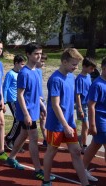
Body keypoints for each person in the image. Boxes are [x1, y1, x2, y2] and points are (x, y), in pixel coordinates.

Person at [6, 43, 55, 182]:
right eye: (36, 54)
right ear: (28, 54)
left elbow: (36, 93)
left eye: (40, 53)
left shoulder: (37, 71)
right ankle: (38, 170)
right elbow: (20, 95)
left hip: (34, 109)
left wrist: (41, 105)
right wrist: (26, 114)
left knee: (23, 134)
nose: (39, 56)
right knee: (33, 137)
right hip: (26, 111)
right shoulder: (24, 73)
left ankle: (11, 158)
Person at [42, 48, 89, 186]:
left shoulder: (71, 77)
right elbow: (55, 105)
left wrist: (78, 110)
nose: (76, 67)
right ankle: (46, 180)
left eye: (77, 64)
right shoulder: (55, 79)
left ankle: (85, 183)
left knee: (75, 152)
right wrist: (65, 125)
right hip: (57, 124)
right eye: (74, 64)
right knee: (52, 151)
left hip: (69, 123)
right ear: (64, 62)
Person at [83, 57, 106, 183]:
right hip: (101, 119)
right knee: (96, 144)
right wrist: (92, 125)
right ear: (103, 68)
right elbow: (91, 105)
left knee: (95, 145)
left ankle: (82, 168)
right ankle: (82, 169)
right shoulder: (97, 84)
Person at [3, 54, 26, 150]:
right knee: (17, 120)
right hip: (12, 99)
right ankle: (9, 139)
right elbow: (5, 87)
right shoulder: (10, 74)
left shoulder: (21, 74)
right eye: (22, 64)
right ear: (16, 63)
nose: (23, 66)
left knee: (21, 121)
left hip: (19, 100)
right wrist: (3, 102)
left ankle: (16, 141)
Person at [75, 57, 96, 154]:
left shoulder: (88, 76)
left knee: (89, 127)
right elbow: (77, 95)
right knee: (86, 126)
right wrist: (79, 108)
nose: (93, 70)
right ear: (84, 67)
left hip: (89, 104)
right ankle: (84, 146)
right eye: (91, 68)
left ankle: (80, 138)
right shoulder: (79, 78)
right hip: (83, 105)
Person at [36, 53, 48, 147]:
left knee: (43, 118)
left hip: (41, 98)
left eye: (44, 62)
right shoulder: (32, 71)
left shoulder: (39, 71)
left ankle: (46, 139)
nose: (43, 63)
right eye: (42, 61)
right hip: (35, 99)